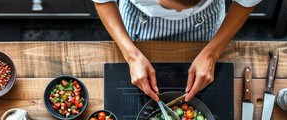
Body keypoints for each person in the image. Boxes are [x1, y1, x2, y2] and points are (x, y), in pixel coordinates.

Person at [93, 0, 262, 101]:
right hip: (138, 19)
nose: (179, 13)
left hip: (204, 21)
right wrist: (131, 55)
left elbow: (246, 2)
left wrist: (212, 53)